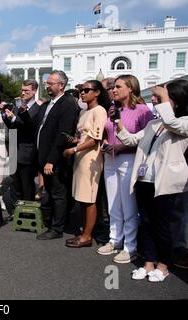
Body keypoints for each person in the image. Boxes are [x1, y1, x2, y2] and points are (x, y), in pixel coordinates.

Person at [114, 80, 188, 281]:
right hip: (145, 180)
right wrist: (118, 123)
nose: (155, 100)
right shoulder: (153, 123)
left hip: (166, 183)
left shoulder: (184, 122)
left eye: (162, 98)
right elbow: (130, 140)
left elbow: (173, 123)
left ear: (176, 100)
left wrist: (163, 98)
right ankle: (148, 263)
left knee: (162, 226)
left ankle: (163, 265)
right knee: (145, 223)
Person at [97, 74, 155, 264]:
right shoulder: (113, 108)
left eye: (118, 87)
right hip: (110, 159)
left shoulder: (142, 110)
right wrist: (106, 142)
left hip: (129, 159)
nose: (113, 90)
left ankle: (130, 246)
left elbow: (147, 139)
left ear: (131, 88)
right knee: (113, 203)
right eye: (113, 87)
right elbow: (108, 131)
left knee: (128, 205)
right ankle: (115, 240)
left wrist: (122, 146)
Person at [20, 71, 79, 240]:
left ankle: (57, 228)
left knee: (58, 193)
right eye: (46, 83)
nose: (47, 86)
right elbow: (35, 126)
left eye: (50, 83)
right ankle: (52, 221)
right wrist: (24, 113)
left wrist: (51, 160)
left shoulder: (68, 103)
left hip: (55, 158)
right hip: (41, 155)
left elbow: (63, 134)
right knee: (50, 192)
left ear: (61, 85)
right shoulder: (47, 104)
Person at [63, 80, 109, 248]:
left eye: (86, 90)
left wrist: (73, 149)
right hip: (80, 157)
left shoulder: (100, 111)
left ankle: (87, 236)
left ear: (97, 92)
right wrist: (73, 140)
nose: (82, 93)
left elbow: (95, 140)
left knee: (89, 199)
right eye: (81, 90)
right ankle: (84, 232)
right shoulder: (84, 112)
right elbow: (83, 136)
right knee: (82, 198)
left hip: (91, 158)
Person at [2, 79, 41, 202]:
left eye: (26, 90)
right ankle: (15, 212)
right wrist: (5, 115)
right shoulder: (17, 107)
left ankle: (27, 213)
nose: (23, 93)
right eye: (22, 90)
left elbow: (29, 129)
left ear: (34, 91)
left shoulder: (38, 109)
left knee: (27, 186)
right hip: (15, 151)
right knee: (15, 185)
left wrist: (13, 118)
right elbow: (13, 127)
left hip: (26, 153)